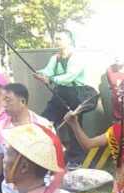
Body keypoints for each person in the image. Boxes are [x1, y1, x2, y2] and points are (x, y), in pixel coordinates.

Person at [35, 30, 87, 170]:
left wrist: (50, 79)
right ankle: (52, 154)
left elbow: (70, 76)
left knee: (74, 126)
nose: (57, 41)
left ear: (69, 40)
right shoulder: (55, 58)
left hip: (75, 93)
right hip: (59, 93)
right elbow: (48, 70)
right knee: (45, 121)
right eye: (56, 38)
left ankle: (76, 160)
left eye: (60, 38)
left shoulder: (77, 57)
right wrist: (40, 73)